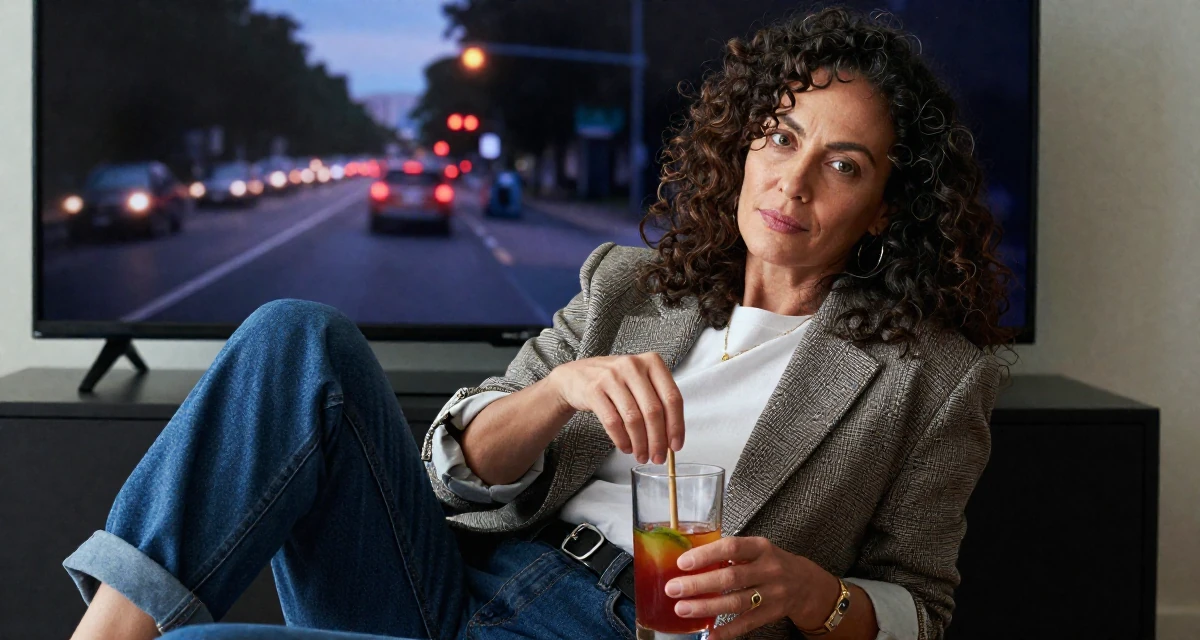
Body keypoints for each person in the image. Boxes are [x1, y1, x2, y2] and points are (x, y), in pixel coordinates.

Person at [64, 7, 1014, 640]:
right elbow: (450, 472)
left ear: (885, 208)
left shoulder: (931, 374)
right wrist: (560, 391)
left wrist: (816, 594)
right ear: (744, 147)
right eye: (780, 137)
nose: (794, 181)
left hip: (622, 627)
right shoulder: (628, 286)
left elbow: (921, 608)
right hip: (446, 585)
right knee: (294, 336)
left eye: (844, 165)